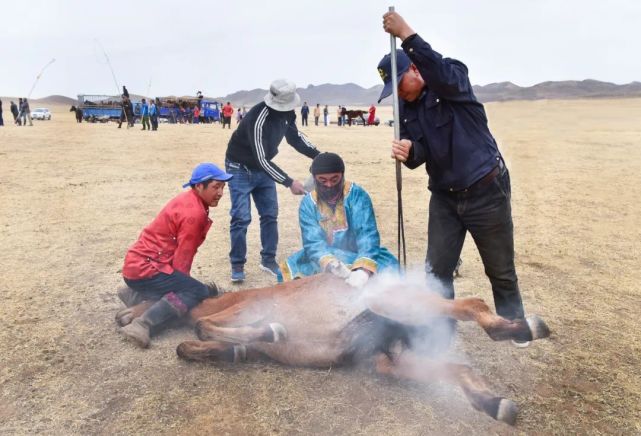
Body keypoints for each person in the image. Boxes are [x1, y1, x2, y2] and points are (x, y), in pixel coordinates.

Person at [380, 10, 528, 346]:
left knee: (500, 270)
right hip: (445, 197)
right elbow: (422, 155)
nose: (397, 93)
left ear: (415, 69)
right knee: (437, 271)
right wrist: (410, 152)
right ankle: (439, 330)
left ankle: (514, 326)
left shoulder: (452, 82)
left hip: (485, 188)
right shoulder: (407, 111)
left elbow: (441, 73)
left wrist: (406, 34)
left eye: (398, 83)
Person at [118, 163, 233, 348]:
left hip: (137, 266)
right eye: (215, 187)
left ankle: (134, 295)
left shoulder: (188, 199)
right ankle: (143, 324)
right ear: (199, 186)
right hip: (146, 269)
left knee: (183, 287)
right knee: (196, 290)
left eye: (222, 187)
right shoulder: (194, 214)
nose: (220, 192)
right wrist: (183, 288)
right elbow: (183, 260)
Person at [224, 79, 321, 282]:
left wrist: (318, 156)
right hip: (240, 168)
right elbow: (261, 159)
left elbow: (295, 138)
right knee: (241, 217)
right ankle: (237, 264)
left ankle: (268, 259)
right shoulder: (257, 119)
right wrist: (288, 182)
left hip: (263, 168)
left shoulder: (287, 114)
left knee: (270, 214)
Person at [281, 152, 398, 284]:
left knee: (388, 273)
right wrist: (331, 265)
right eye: (323, 181)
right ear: (314, 179)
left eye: (334, 179)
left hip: (359, 253)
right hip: (324, 256)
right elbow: (313, 242)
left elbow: (367, 235)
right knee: (293, 272)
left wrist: (362, 270)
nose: (329, 185)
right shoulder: (308, 203)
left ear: (342, 176)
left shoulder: (357, 195)